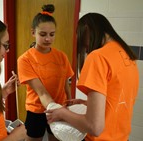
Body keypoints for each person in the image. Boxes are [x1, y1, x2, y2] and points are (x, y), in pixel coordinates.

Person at [46, 12, 139, 141]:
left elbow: (94, 127)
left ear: (88, 31)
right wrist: (87, 103)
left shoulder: (98, 57)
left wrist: (62, 113)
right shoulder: (127, 55)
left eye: (86, 45)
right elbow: (118, 99)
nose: (88, 50)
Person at [17, 4, 74, 141]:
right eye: (42, 34)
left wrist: (69, 103)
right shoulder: (25, 59)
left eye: (52, 34)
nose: (48, 39)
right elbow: (41, 92)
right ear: (33, 32)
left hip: (60, 108)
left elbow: (66, 82)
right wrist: (56, 109)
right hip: (36, 110)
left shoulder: (61, 57)